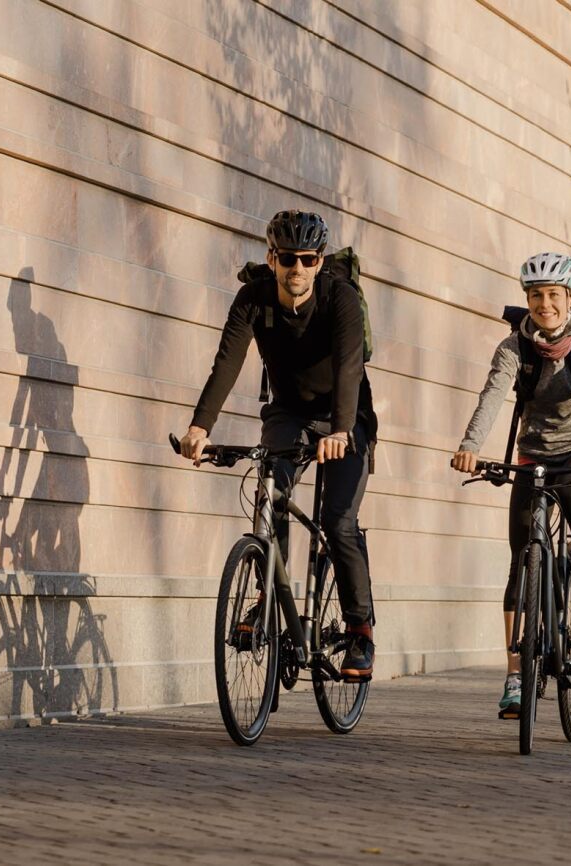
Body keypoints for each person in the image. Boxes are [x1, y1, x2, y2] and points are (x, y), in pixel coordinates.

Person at [179, 209, 379, 681]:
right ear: (271, 258)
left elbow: (350, 367)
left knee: (337, 521)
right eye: (287, 258)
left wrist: (341, 430)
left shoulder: (341, 298)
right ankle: (267, 602)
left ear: (319, 260)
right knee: (271, 496)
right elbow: (226, 362)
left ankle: (360, 630)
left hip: (345, 417)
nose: (297, 268)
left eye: (307, 259)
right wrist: (200, 428)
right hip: (288, 413)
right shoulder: (253, 299)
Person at [450, 252, 571, 718]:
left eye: (553, 295)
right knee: (520, 562)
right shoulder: (514, 347)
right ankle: (514, 676)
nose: (544, 304)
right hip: (533, 453)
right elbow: (492, 395)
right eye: (535, 295)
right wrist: (470, 444)